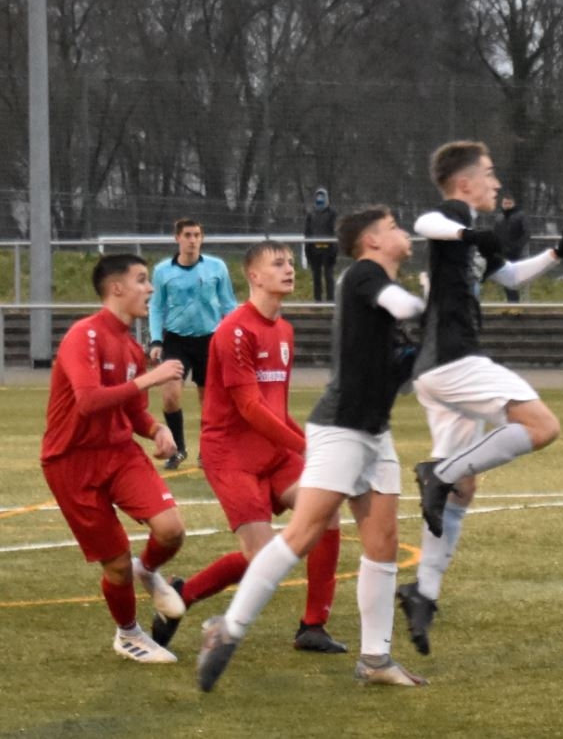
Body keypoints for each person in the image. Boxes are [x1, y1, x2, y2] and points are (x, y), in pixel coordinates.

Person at [197, 206, 428, 691]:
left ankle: (374, 658)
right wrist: (437, 302)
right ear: (371, 240)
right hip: (340, 428)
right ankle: (226, 629)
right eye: (392, 227)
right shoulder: (363, 276)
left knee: (382, 542)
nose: (404, 232)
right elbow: (408, 308)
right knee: (301, 535)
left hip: (373, 430)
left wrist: (419, 353)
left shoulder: (326, 313)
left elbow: (396, 372)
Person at [399, 140, 563, 656]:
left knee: (462, 488)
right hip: (453, 361)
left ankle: (422, 593)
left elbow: (506, 275)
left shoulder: (470, 236)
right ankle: (436, 474)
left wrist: (558, 252)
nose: (496, 182)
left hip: (437, 372)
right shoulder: (453, 217)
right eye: (488, 173)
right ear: (464, 183)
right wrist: (469, 232)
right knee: (542, 427)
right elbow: (424, 223)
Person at [150, 242, 345, 655]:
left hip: (273, 452)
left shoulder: (284, 329)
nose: (289, 269)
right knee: (264, 556)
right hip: (231, 457)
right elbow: (251, 408)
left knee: (326, 511)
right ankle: (185, 593)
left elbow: (276, 407)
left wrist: (311, 446)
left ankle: (313, 626)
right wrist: (304, 447)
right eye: (278, 263)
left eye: (290, 262)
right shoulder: (234, 330)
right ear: (254, 276)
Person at [41, 254, 189, 662]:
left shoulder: (130, 347)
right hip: (71, 462)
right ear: (117, 288)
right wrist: (152, 378)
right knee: (117, 565)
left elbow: (133, 411)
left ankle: (148, 570)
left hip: (120, 453)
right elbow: (89, 401)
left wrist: (156, 430)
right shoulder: (84, 334)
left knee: (171, 530)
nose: (150, 288)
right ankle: (128, 634)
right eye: (142, 279)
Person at [149, 218, 237, 470]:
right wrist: (156, 339)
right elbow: (156, 307)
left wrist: (234, 336)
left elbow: (229, 304)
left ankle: (207, 451)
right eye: (187, 235)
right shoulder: (163, 271)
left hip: (209, 340)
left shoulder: (216, 267)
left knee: (208, 401)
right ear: (177, 238)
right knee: (170, 396)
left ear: (202, 238)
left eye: (197, 235)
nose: (192, 240)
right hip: (176, 341)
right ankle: (178, 449)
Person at [492, 193, 530, 302]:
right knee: (505, 279)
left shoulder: (520, 216)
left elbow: (526, 233)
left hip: (515, 253)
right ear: (502, 204)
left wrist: (518, 247)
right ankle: (511, 304)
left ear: (514, 204)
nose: (507, 205)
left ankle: (514, 304)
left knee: (512, 279)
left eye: (509, 203)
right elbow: (495, 234)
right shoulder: (499, 218)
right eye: (505, 203)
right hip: (501, 253)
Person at [305, 187, 339, 302]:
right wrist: (307, 250)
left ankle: (330, 300)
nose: (320, 198)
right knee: (316, 276)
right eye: (318, 196)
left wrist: (334, 249)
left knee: (329, 276)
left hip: (328, 250)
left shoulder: (332, 213)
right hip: (314, 249)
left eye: (322, 196)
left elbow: (335, 231)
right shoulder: (311, 213)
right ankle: (317, 300)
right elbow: (307, 232)